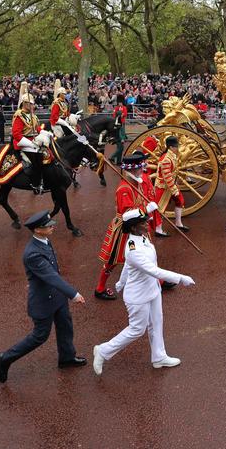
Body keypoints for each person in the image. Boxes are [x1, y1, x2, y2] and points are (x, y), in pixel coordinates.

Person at [92, 209, 195, 375]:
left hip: (152, 290)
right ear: (133, 227)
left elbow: (127, 265)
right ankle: (103, 351)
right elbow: (154, 270)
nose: (148, 223)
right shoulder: (134, 249)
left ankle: (159, 357)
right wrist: (181, 278)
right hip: (138, 296)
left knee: (156, 323)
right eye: (144, 222)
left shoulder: (142, 237)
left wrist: (122, 281)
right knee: (137, 329)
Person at [0, 211, 88, 383]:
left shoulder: (44, 241)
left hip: (57, 296)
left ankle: (67, 357)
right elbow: (52, 276)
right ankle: (5, 357)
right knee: (40, 336)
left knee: (65, 326)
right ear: (37, 230)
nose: (52, 227)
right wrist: (73, 294)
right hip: (44, 301)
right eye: (48, 226)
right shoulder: (33, 253)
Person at [95, 154, 163, 300]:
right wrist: (147, 209)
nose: (142, 171)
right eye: (139, 168)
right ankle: (100, 288)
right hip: (125, 228)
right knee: (112, 261)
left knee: (148, 254)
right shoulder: (124, 188)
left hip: (138, 226)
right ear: (133, 170)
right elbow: (127, 214)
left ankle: (160, 280)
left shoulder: (135, 183)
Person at [12, 81, 44, 194]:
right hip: (22, 142)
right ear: (25, 104)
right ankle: (35, 183)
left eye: (33, 104)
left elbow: (37, 129)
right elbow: (16, 134)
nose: (33, 106)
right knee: (36, 159)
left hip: (33, 140)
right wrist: (31, 143)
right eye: (31, 104)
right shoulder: (19, 115)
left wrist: (45, 133)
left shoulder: (33, 115)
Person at [155, 136, 189, 233]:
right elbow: (167, 177)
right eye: (175, 147)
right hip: (163, 187)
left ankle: (178, 223)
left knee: (180, 201)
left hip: (171, 185)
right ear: (170, 147)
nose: (177, 148)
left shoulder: (171, 156)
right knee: (160, 208)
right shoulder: (166, 159)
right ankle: (158, 230)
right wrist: (174, 189)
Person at [112, 95, 129, 164]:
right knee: (120, 147)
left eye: (120, 102)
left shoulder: (124, 107)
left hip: (122, 122)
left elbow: (125, 113)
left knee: (120, 148)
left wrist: (122, 115)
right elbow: (114, 115)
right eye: (119, 103)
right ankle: (114, 158)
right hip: (118, 123)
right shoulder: (116, 108)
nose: (120, 103)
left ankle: (118, 161)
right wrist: (118, 115)